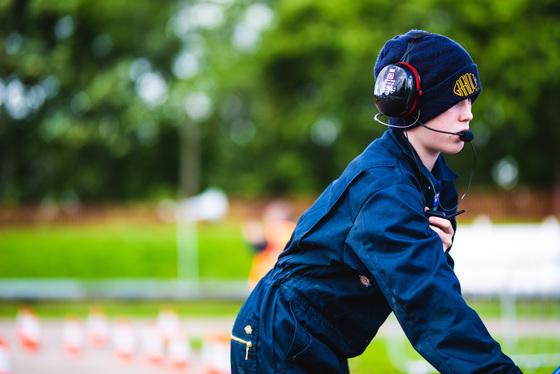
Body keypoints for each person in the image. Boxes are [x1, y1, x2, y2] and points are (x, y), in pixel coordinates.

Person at [230, 30, 522, 373]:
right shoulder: (386, 190)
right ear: (407, 101)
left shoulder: (434, 181)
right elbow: (429, 310)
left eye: (471, 100)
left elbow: (437, 290)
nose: (468, 114)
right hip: (280, 340)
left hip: (314, 339)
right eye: (454, 100)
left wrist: (434, 254)